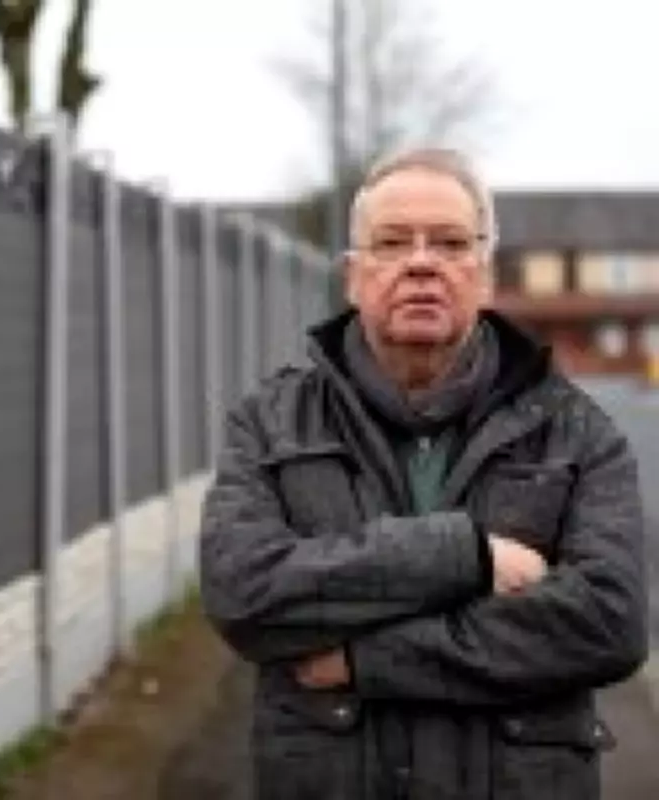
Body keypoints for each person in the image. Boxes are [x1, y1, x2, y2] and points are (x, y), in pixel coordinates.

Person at [198, 147, 648, 800]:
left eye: (450, 242)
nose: (420, 263)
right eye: (390, 243)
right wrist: (467, 557)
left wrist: (365, 659)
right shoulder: (271, 424)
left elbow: (609, 622)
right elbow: (242, 593)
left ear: (484, 275)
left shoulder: (578, 432)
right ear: (353, 277)